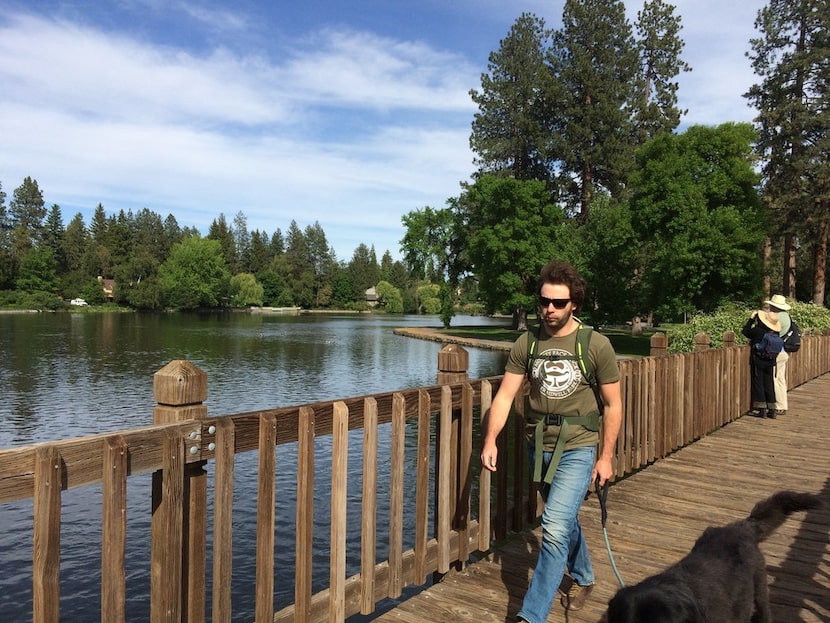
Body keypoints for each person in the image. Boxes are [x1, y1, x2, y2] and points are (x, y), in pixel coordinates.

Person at [480, 259, 622, 623]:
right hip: (538, 446)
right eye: (544, 301)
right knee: (564, 519)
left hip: (578, 447)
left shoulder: (595, 345)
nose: (549, 310)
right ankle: (585, 576)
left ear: (574, 303)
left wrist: (605, 458)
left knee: (555, 526)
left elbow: (613, 404)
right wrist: (490, 439)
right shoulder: (527, 343)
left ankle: (531, 615)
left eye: (558, 303)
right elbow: (505, 396)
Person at [741, 307, 781, 418]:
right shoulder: (775, 332)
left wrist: (751, 319)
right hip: (771, 360)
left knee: (758, 383)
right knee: (769, 383)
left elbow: (745, 331)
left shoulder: (758, 331)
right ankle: (772, 409)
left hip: (759, 360)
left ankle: (762, 408)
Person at [765, 294, 792, 416]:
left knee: (775, 379)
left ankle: (778, 405)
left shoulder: (777, 317)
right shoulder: (787, 316)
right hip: (783, 351)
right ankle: (783, 405)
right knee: (780, 378)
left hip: (776, 351)